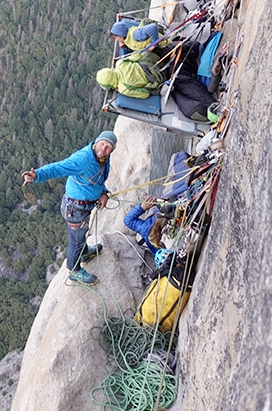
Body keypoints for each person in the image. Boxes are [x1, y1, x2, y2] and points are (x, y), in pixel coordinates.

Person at [21, 131, 117, 285]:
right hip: (75, 208)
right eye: (102, 143)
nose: (104, 148)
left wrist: (103, 193)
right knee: (76, 240)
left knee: (81, 234)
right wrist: (37, 175)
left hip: (82, 206)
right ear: (96, 142)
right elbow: (59, 167)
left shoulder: (103, 159)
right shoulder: (83, 159)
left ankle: (84, 254)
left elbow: (96, 181)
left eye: (108, 147)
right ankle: (74, 270)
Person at [96, 51, 165, 99]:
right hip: (155, 61)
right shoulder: (119, 63)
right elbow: (138, 56)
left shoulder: (124, 89)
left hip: (159, 77)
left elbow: (145, 94)